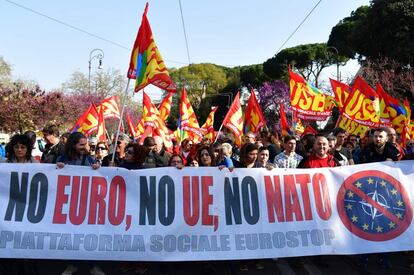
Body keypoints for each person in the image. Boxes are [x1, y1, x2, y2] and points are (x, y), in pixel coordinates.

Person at [56, 132, 102, 275]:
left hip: (87, 203)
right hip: (68, 203)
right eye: (81, 144)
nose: (85, 147)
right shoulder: (61, 158)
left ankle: (93, 264)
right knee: (71, 234)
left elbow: (99, 177)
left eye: (85, 144)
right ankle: (72, 264)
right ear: (73, 145)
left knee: (89, 234)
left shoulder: (89, 158)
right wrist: (58, 168)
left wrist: (97, 168)